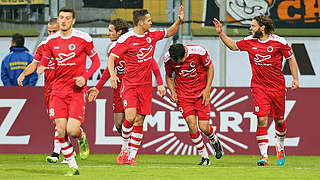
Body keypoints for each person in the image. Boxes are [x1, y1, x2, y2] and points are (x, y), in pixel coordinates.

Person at [213, 15, 299, 166]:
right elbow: (233, 46)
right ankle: (264, 156)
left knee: (279, 120)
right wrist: (221, 33)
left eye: (253, 26)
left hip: (278, 87)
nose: (250, 29)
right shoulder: (249, 41)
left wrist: (295, 78)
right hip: (259, 87)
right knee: (261, 119)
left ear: (262, 28)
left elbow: (291, 58)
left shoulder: (279, 42)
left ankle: (280, 147)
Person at [107, 6, 184, 165]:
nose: (151, 22)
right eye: (149, 20)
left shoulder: (151, 36)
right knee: (129, 117)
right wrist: (113, 75)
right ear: (141, 22)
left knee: (140, 121)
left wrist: (179, 21)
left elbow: (169, 32)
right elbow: (111, 58)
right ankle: (124, 149)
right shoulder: (126, 39)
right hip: (129, 85)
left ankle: (132, 157)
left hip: (146, 86)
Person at [87, 18, 166, 165]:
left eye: (111, 30)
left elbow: (153, 64)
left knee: (133, 118)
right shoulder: (113, 49)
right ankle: (127, 147)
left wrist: (160, 83)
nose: (108, 33)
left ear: (119, 32)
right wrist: (98, 87)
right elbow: (108, 73)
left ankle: (128, 152)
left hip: (135, 86)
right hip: (119, 88)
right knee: (119, 123)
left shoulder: (132, 43)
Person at [37, 6, 101, 176]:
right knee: (60, 130)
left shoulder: (83, 39)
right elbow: (45, 60)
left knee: (72, 130)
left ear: (73, 21)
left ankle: (82, 138)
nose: (63, 21)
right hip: (57, 90)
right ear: (57, 20)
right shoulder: (50, 42)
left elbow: (96, 62)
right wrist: (41, 66)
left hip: (76, 91)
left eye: (67, 18)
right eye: (61, 18)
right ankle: (73, 167)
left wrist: (85, 77)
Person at [17, 18, 73, 164]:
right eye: (49, 31)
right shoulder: (44, 46)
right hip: (50, 89)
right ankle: (66, 151)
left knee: (62, 123)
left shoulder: (70, 44)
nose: (51, 34)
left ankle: (57, 153)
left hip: (67, 88)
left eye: (54, 31)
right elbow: (34, 64)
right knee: (58, 123)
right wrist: (23, 74)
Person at [164, 44, 223, 165]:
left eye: (180, 62)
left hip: (200, 94)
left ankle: (214, 140)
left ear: (185, 54)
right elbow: (169, 76)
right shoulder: (168, 58)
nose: (179, 64)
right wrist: (173, 92)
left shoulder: (199, 52)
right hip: (183, 96)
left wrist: (207, 89)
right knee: (191, 125)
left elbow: (210, 67)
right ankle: (205, 157)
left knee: (204, 127)